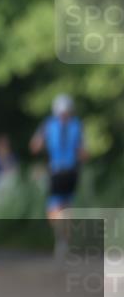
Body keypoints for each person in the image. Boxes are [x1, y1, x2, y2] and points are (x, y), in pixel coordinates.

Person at [30, 94, 87, 222]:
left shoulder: (48, 125)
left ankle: (61, 230)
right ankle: (64, 230)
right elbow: (84, 154)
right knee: (66, 205)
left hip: (57, 171)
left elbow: (34, 147)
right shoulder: (77, 125)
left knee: (55, 206)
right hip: (70, 172)